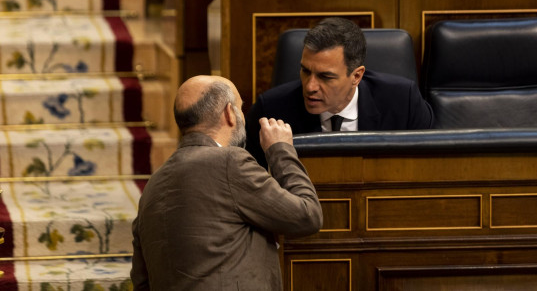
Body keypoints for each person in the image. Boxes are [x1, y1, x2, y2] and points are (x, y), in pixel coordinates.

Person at [130, 75, 322, 290]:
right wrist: (280, 149)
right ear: (229, 113)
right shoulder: (229, 162)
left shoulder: (153, 185)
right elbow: (308, 215)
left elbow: (141, 280)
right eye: (241, 108)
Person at [246, 18, 434, 169]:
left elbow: (430, 169)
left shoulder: (403, 101)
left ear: (356, 76)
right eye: (305, 71)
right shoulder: (270, 110)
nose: (310, 86)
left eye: (325, 76)